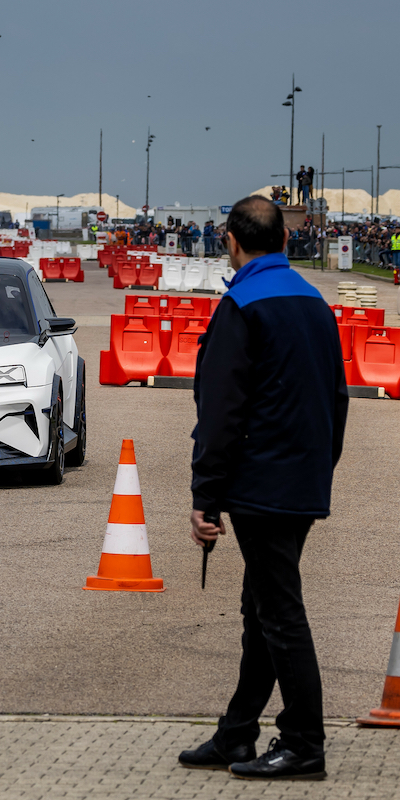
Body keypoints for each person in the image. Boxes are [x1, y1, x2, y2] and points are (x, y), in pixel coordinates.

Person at [179, 196, 347, 781]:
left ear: (231, 241)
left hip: (262, 484)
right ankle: (237, 734)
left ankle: (304, 743)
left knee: (278, 614)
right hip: (300, 479)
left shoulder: (241, 304)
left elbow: (221, 409)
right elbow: (338, 397)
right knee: (260, 609)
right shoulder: (314, 302)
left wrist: (206, 495)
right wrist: (320, 467)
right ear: (284, 239)